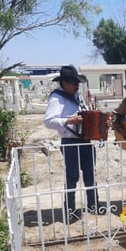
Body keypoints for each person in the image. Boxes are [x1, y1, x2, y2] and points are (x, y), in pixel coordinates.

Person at [44, 65, 98, 219]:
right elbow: (48, 121)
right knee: (72, 176)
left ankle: (94, 205)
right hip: (70, 142)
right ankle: (70, 209)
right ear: (65, 83)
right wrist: (69, 120)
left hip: (85, 141)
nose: (77, 86)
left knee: (90, 174)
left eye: (78, 83)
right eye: (74, 83)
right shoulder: (57, 98)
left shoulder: (77, 97)